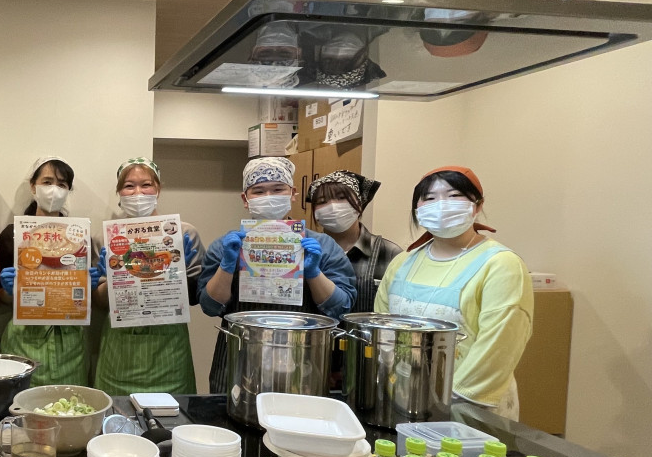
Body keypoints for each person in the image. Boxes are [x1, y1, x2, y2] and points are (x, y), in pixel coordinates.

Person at [375, 166, 533, 419]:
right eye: (429, 198)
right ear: (417, 208)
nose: (441, 205)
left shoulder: (501, 264)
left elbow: (500, 344)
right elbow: (381, 326)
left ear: (478, 205)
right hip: (405, 398)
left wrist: (452, 402)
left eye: (454, 196)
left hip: (472, 408)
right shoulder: (403, 262)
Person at [197, 156, 357, 393]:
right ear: (245, 199)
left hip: (301, 363)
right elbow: (209, 306)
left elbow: (341, 308)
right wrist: (227, 265)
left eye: (278, 189)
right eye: (259, 191)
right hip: (238, 361)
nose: (269, 197)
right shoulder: (226, 246)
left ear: (293, 193)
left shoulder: (322, 245)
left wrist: (313, 273)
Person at [93, 157, 202, 395]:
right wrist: (109, 281)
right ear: (119, 192)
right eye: (129, 186)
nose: (138, 193)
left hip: (169, 348)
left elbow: (196, 297)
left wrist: (178, 272)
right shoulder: (106, 238)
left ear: (158, 189)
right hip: (119, 350)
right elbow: (100, 304)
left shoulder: (183, 233)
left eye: (146, 185)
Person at [0, 156, 97, 386]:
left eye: (62, 184)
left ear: (68, 190)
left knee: (71, 401)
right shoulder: (13, 234)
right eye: (47, 182)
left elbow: (80, 299)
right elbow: (1, 298)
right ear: (33, 186)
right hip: (24, 336)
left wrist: (88, 288)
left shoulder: (80, 236)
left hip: (70, 340)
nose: (54, 190)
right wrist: (9, 290)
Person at [306, 169, 401, 313]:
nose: (332, 206)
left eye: (341, 198)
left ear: (360, 203)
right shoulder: (306, 251)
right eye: (322, 201)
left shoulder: (389, 252)